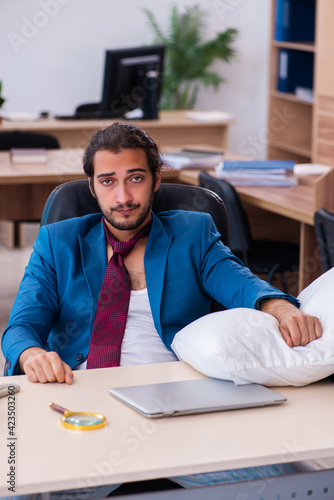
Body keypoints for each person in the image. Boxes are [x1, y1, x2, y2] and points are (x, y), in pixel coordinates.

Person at [1, 122, 322, 496]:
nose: (122, 196)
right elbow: (21, 325)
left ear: (156, 180)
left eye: (135, 178)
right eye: (108, 181)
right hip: (81, 400)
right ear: (92, 187)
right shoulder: (59, 242)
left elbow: (239, 282)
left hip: (174, 402)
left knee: (291, 482)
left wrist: (279, 307)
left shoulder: (193, 233)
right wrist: (32, 353)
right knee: (21, 484)